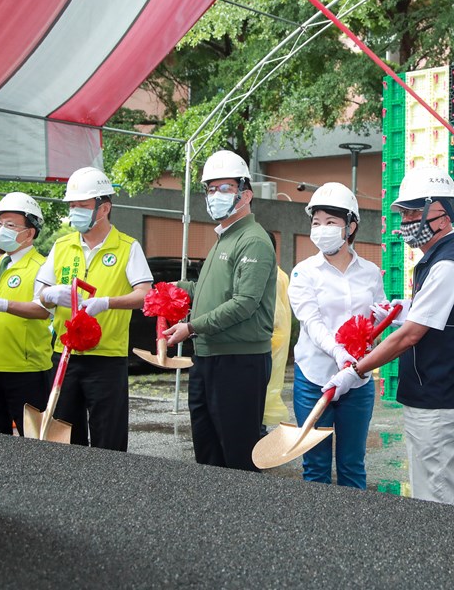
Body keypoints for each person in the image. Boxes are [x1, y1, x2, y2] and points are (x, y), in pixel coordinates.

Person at [322, 165, 454, 506]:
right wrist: (406, 310)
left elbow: (410, 336)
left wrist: (356, 369)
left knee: (438, 494)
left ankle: (447, 556)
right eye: (404, 213)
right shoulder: (435, 260)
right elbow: (434, 320)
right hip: (432, 393)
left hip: (439, 395)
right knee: (432, 484)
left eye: (412, 212)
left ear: (442, 213)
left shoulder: (447, 265)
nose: (406, 221)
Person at [163, 150, 276, 472]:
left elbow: (244, 303)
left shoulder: (252, 240)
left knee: (238, 453)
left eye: (224, 188)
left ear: (246, 194)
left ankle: (243, 519)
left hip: (238, 360)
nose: (215, 196)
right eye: (211, 189)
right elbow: (209, 292)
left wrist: (192, 327)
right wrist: (175, 290)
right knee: (207, 448)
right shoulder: (225, 238)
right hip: (209, 356)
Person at [37, 167, 153, 451]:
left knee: (108, 438)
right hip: (65, 354)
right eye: (72, 205)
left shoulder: (128, 247)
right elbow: (39, 294)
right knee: (65, 436)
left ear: (104, 208)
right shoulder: (62, 246)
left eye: (82, 205)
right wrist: (50, 294)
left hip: (107, 357)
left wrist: (107, 302)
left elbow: (144, 294)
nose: (75, 211)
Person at [288, 183, 385, 488]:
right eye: (316, 223)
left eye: (331, 222)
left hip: (358, 380)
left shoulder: (370, 272)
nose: (322, 229)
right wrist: (338, 351)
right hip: (314, 379)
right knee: (315, 467)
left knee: (352, 465)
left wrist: (385, 319)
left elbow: (376, 318)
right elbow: (311, 322)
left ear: (351, 226)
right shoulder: (303, 272)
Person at [0, 192, 52, 434]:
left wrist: (1, 304)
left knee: (33, 441)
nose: (2, 230)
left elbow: (43, 311)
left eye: (10, 225)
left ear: (29, 233)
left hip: (26, 370)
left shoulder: (41, 267)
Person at [262, 231, 290, 434]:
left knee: (259, 390)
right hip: (277, 336)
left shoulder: (269, 274)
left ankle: (258, 433)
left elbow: (273, 313)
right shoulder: (281, 273)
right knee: (267, 388)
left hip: (267, 337)